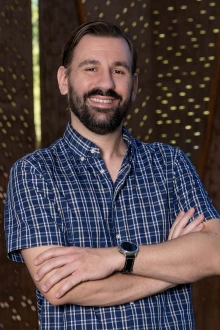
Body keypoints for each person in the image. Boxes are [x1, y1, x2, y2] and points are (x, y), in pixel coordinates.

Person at [4, 20, 220, 330]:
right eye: (91, 68)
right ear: (64, 80)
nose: (105, 83)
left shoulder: (171, 163)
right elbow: (60, 287)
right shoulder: (34, 173)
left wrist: (115, 259)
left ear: (134, 85)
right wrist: (172, 268)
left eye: (118, 71)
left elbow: (214, 252)